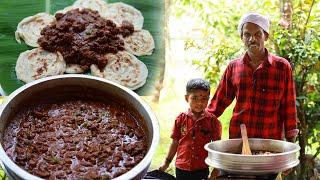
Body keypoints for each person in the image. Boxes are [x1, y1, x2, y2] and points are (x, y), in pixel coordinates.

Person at [208, 12, 298, 142]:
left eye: (257, 34)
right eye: (247, 34)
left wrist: (290, 143)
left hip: (270, 140)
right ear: (241, 37)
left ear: (266, 36)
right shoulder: (233, 67)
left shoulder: (282, 67)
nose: (252, 39)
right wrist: (197, 118)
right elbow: (218, 103)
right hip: (239, 139)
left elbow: (288, 107)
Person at [159, 78, 221, 180]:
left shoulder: (212, 121)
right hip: (181, 167)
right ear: (187, 98)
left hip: (202, 167)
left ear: (208, 99)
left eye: (204, 98)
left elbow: (216, 147)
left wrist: (216, 169)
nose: (199, 103)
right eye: (195, 98)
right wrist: (166, 163)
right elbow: (174, 143)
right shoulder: (180, 118)